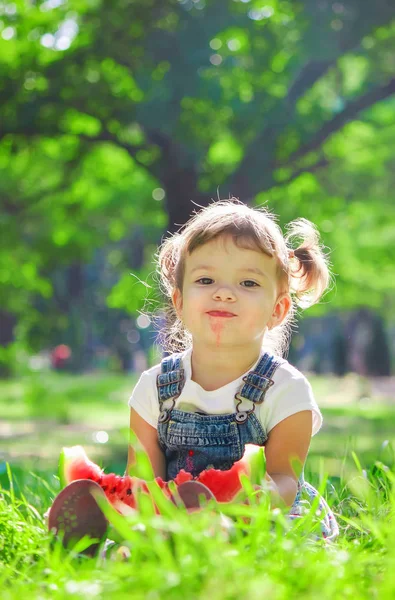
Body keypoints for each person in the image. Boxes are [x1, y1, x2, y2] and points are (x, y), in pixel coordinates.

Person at [48, 199, 339, 552]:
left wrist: (244, 501)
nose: (223, 292)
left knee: (284, 539)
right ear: (180, 302)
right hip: (173, 515)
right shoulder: (154, 388)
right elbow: (144, 483)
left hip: (262, 515)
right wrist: (142, 512)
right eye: (205, 279)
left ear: (277, 309)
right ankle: (102, 542)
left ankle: (197, 543)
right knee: (142, 527)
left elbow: (285, 479)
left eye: (248, 283)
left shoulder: (286, 390)